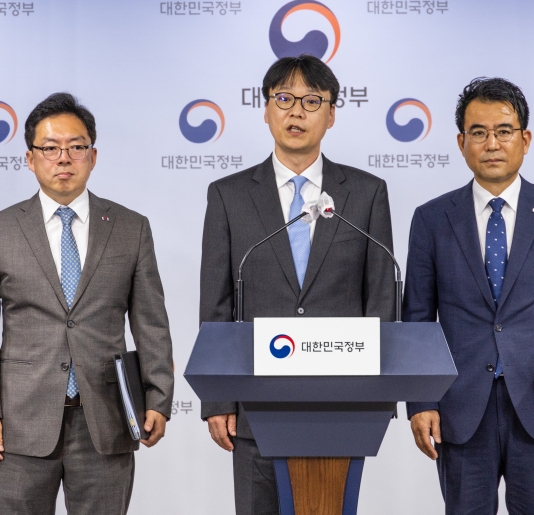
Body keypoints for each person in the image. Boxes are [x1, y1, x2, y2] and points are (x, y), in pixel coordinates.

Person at [200, 54, 396, 514]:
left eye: (312, 101)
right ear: (266, 109)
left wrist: (375, 396)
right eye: (284, 98)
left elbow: (381, 299)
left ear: (331, 114)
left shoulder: (366, 193)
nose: (296, 111)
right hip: (255, 404)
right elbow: (216, 304)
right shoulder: (228, 195)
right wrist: (218, 398)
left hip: (341, 403)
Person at [0, 93, 174, 515]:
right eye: (50, 147)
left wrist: (157, 397)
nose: (64, 157)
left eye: (76, 147)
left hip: (106, 418)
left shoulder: (131, 228)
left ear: (93, 156)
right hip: (20, 423)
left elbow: (151, 323)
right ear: (30, 158)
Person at [404, 77, 534, 514]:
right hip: (460, 407)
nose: (491, 143)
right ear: (461, 142)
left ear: (524, 139)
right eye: (478, 132)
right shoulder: (433, 219)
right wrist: (420, 401)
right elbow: (416, 321)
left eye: (503, 131)